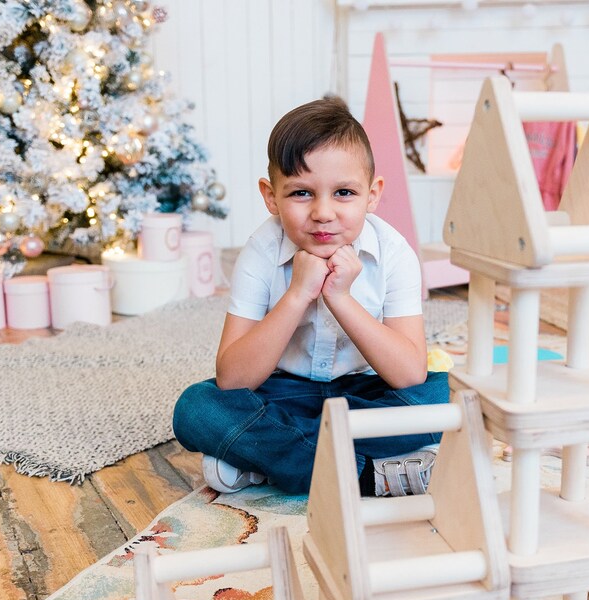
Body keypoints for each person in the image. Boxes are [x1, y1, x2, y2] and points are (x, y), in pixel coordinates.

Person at [172, 95, 448, 496]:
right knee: (197, 407)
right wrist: (298, 295)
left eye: (344, 193)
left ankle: (269, 462)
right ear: (271, 197)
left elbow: (409, 374)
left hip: (362, 396)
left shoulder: (394, 252)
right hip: (284, 394)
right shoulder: (261, 252)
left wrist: (341, 299)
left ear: (372, 194)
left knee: (437, 400)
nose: (322, 212)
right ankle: (366, 475)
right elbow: (233, 378)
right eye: (301, 193)